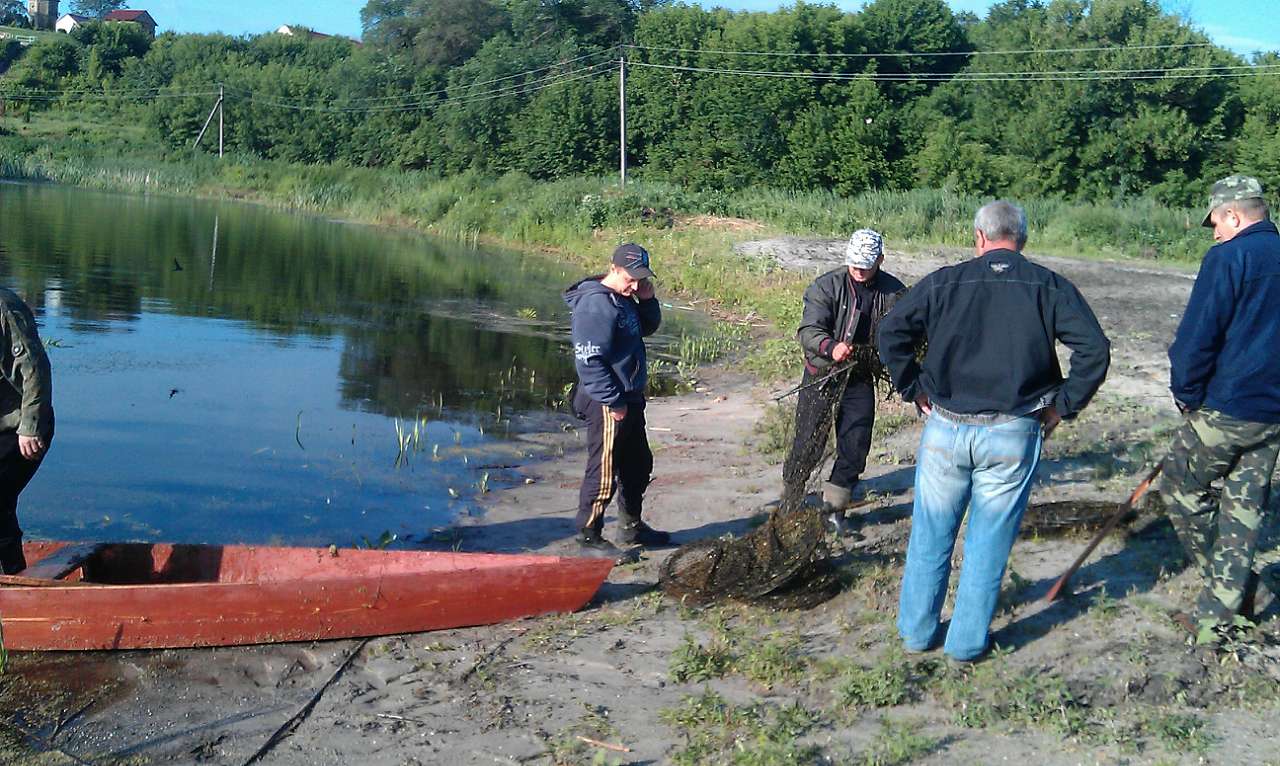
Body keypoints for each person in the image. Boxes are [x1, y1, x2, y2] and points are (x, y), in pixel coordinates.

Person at [878, 200, 1110, 662]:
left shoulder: (946, 280)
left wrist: (913, 388)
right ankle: (965, 644)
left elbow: (890, 332)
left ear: (979, 238)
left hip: (945, 426)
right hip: (1014, 431)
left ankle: (917, 634)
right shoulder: (1047, 285)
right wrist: (1062, 407)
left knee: (931, 533)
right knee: (988, 541)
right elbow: (1095, 351)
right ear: (1021, 239)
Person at [1162, 175, 1280, 639]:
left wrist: (1186, 393)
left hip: (1227, 406)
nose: (1214, 232)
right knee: (1244, 508)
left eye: (1215, 222)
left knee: (1180, 488)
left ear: (1234, 215)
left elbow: (1198, 334)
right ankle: (1221, 611)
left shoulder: (1230, 257)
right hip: (1272, 414)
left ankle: (1229, 587)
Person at [786, 229, 905, 534]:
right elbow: (809, 331)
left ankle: (834, 510)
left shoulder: (895, 292)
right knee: (807, 444)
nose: (859, 269)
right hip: (823, 374)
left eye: (866, 264)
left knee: (855, 445)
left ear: (880, 259)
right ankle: (792, 502)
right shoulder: (825, 287)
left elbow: (908, 329)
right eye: (855, 263)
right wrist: (831, 347)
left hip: (860, 376)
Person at [563, 243, 670, 552]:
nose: (635, 285)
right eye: (630, 278)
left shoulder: (624, 299)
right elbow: (589, 361)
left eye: (641, 278)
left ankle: (631, 527)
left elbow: (644, 329)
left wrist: (647, 301)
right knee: (604, 469)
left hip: (630, 395)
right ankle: (588, 536)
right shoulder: (595, 305)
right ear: (613, 269)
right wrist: (614, 402)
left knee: (638, 464)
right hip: (607, 400)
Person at [0, 286, 54, 575]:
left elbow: (35, 368)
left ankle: (13, 577)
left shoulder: (5, 307)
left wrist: (30, 427)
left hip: (20, 427)